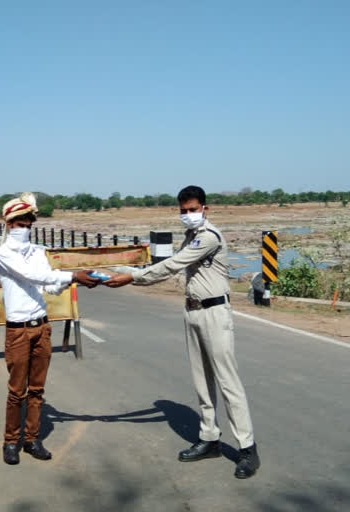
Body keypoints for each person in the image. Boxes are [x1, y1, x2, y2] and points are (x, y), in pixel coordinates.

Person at [105, 185, 261, 479]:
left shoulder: (208, 237)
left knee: (228, 383)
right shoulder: (190, 237)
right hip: (192, 311)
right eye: (183, 211)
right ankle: (209, 438)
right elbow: (170, 265)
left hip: (215, 313)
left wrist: (132, 278)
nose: (188, 215)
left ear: (205, 208)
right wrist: (121, 269)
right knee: (202, 382)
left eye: (192, 209)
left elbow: (172, 265)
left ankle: (247, 449)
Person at [0, 193, 100, 465]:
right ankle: (10, 441)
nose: (23, 229)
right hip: (18, 331)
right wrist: (73, 275)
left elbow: (49, 285)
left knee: (37, 389)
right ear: (8, 224)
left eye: (28, 224)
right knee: (17, 391)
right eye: (19, 224)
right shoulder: (3, 254)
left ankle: (31, 439)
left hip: (41, 326)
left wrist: (76, 280)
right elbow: (33, 276)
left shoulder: (38, 252)